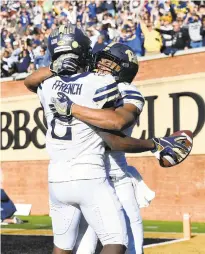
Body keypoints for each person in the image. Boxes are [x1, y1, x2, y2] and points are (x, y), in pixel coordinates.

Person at [25, 28, 189, 254]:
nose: (102, 65)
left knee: (127, 247)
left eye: (110, 63)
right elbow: (112, 138)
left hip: (110, 175)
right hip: (92, 176)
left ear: (125, 68)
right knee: (100, 245)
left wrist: (71, 106)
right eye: (100, 60)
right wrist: (154, 144)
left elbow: (115, 130)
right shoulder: (88, 83)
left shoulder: (123, 90)